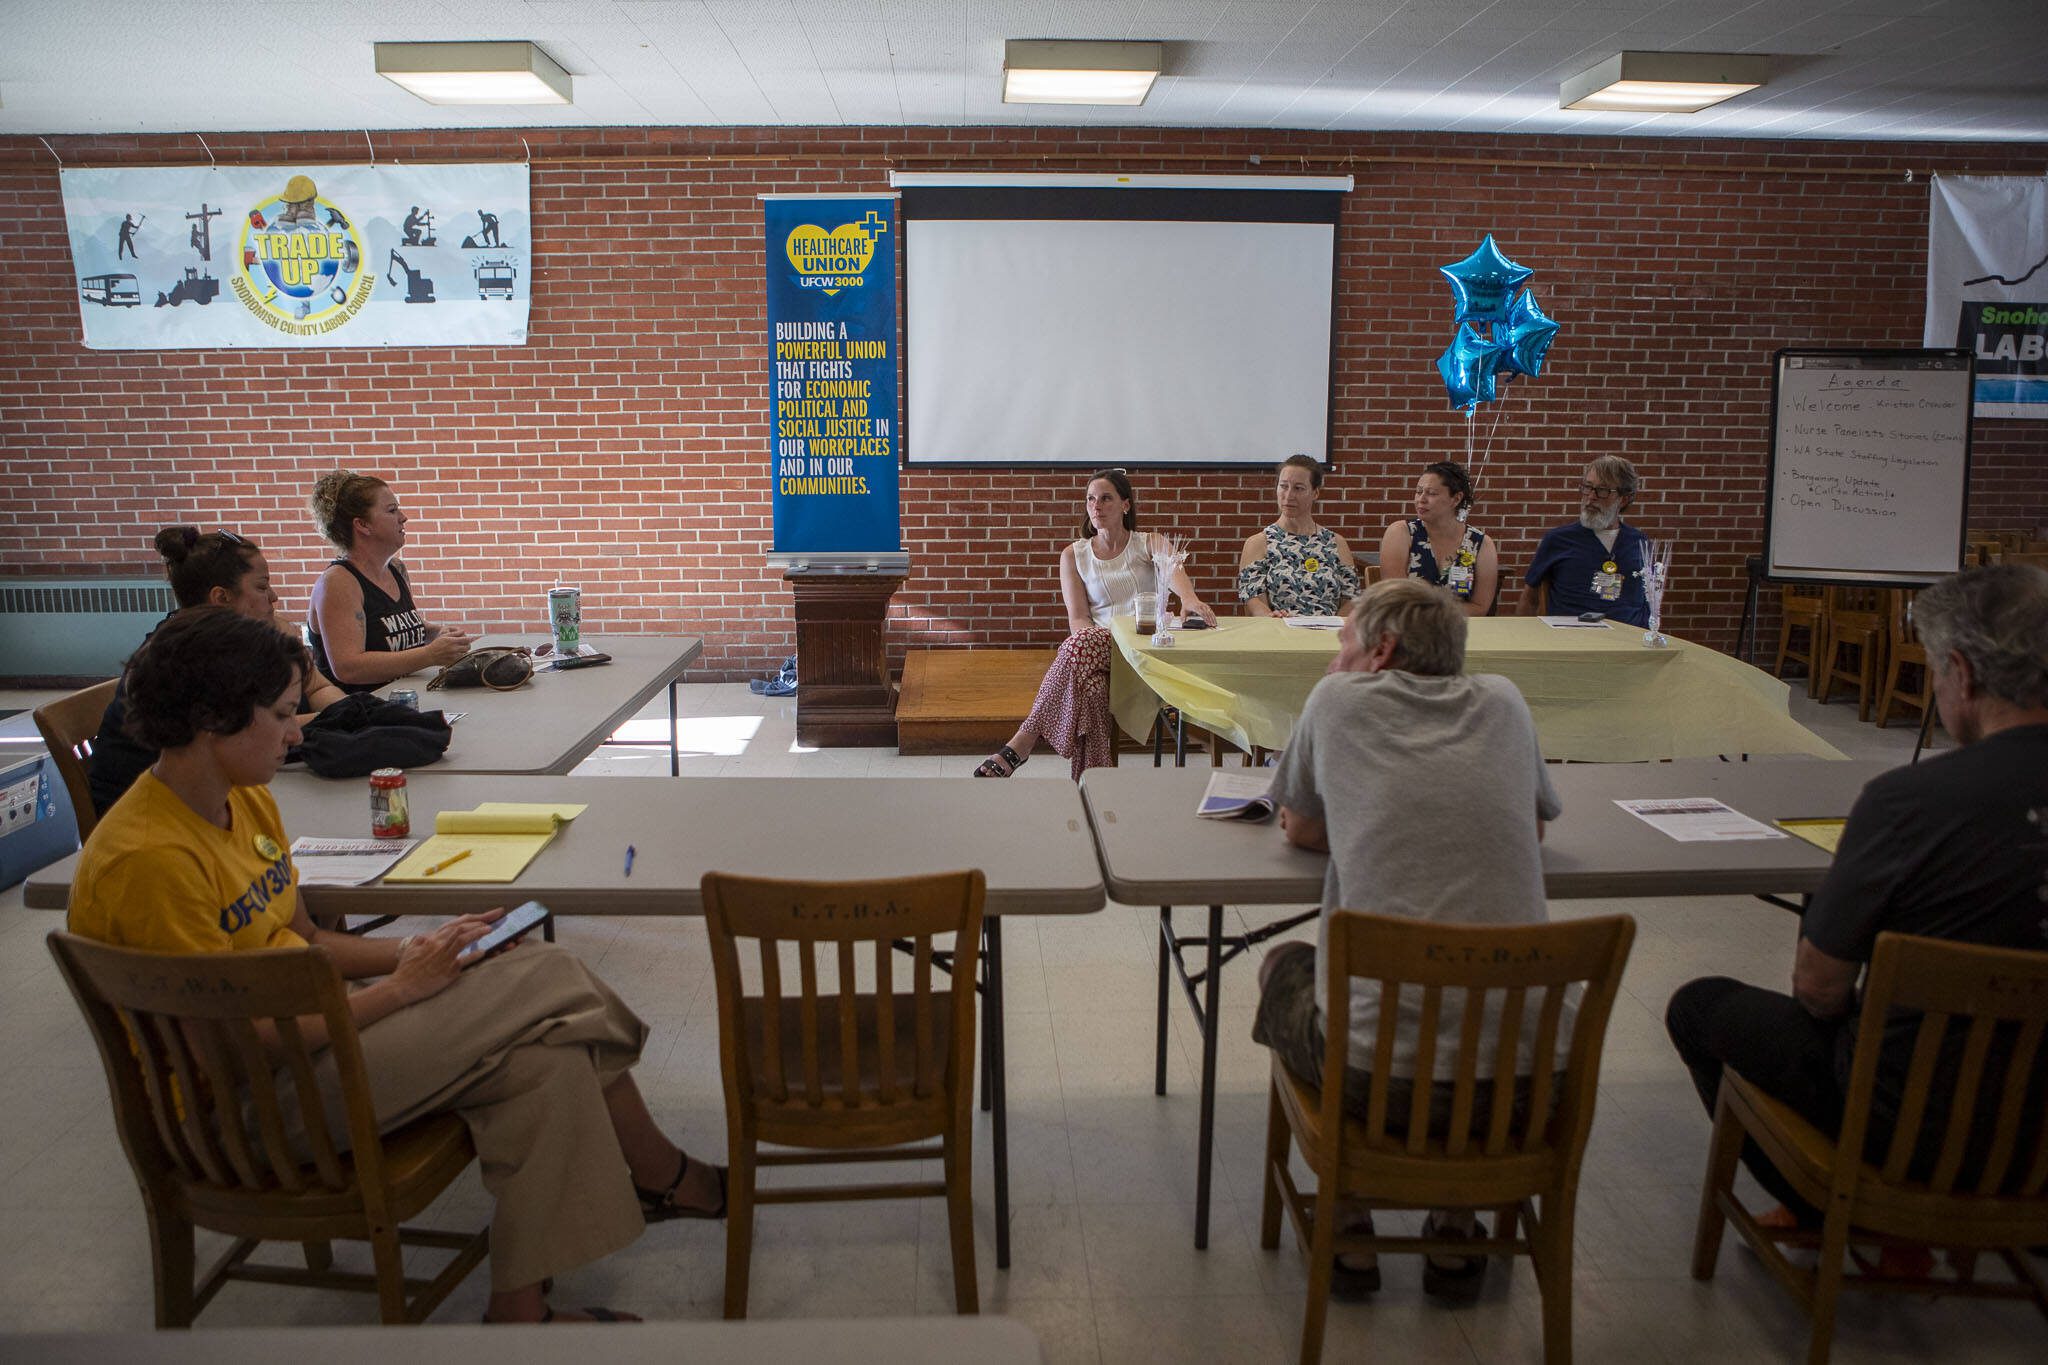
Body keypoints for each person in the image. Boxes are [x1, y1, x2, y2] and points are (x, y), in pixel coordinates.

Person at [69, 608, 728, 1324]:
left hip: (309, 1041)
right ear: (211, 720)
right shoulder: (148, 859)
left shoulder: (244, 798)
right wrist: (399, 991)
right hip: (244, 1107)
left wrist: (413, 950)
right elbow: (229, 1042)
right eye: (285, 714)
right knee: (544, 976)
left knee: (546, 1054)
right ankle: (662, 1173)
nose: (299, 733)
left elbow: (308, 940)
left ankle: (520, 1311)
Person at [1664, 565, 2048, 1247]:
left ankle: (1839, 1212)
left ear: (1961, 672)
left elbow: (1818, 990)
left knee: (1699, 1006)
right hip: (2036, 1135)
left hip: (1909, 1126)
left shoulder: (1910, 803)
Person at [1253, 577, 1562, 1301]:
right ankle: (1455, 1230)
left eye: (1342, 647)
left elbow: (1297, 824)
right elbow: (1536, 822)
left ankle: (1353, 1228)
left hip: (1375, 1080)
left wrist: (1363, 813)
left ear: (1382, 650)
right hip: (1524, 1086)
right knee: (1470, 1004)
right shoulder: (1507, 701)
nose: (1332, 665)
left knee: (1283, 965)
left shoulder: (1336, 703)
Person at [88, 527, 348, 816]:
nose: (274, 597)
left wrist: (348, 713)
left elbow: (315, 688)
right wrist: (346, 716)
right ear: (221, 597)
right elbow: (252, 729)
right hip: (156, 814)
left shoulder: (245, 637)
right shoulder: (188, 658)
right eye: (262, 587)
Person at [975, 469, 1215, 780]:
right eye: (1090, 499)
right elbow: (1078, 618)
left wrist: (1189, 599)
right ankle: (1097, 785)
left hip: (1144, 648)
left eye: (1105, 498)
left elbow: (1175, 570)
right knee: (1092, 687)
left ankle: (1024, 743)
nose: (1096, 506)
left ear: (1125, 505)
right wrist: (1089, 644)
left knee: (1085, 668)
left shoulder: (1149, 543)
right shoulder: (1073, 555)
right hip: (1099, 651)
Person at [306, 470, 472, 692]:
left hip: (402, 699)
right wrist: (430, 654)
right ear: (363, 525)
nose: (403, 517)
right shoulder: (337, 583)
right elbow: (348, 667)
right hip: (360, 713)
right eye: (392, 510)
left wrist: (437, 633)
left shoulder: (396, 569)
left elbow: (389, 628)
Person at [1517, 456, 1650, 624]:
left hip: (1628, 641)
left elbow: (1648, 601)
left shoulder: (1639, 543)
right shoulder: (1558, 539)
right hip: (1570, 638)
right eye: (1588, 487)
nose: (1591, 496)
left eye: (1603, 490)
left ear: (1623, 499)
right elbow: (1530, 598)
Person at [1237, 455, 1361, 618]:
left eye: (1298, 488)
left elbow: (1351, 599)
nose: (1288, 495)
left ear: (1315, 493)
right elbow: (1252, 600)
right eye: (1283, 486)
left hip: (1328, 635)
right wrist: (1270, 617)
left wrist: (1334, 625)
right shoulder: (1259, 543)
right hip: (1279, 632)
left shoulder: (1336, 543)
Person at [1375, 460, 1500, 616]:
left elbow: (1480, 607)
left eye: (1431, 493)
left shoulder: (1481, 544)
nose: (1421, 499)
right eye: (1418, 491)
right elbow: (1395, 599)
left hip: (1458, 631)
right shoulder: (1402, 532)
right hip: (1408, 628)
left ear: (1456, 499)